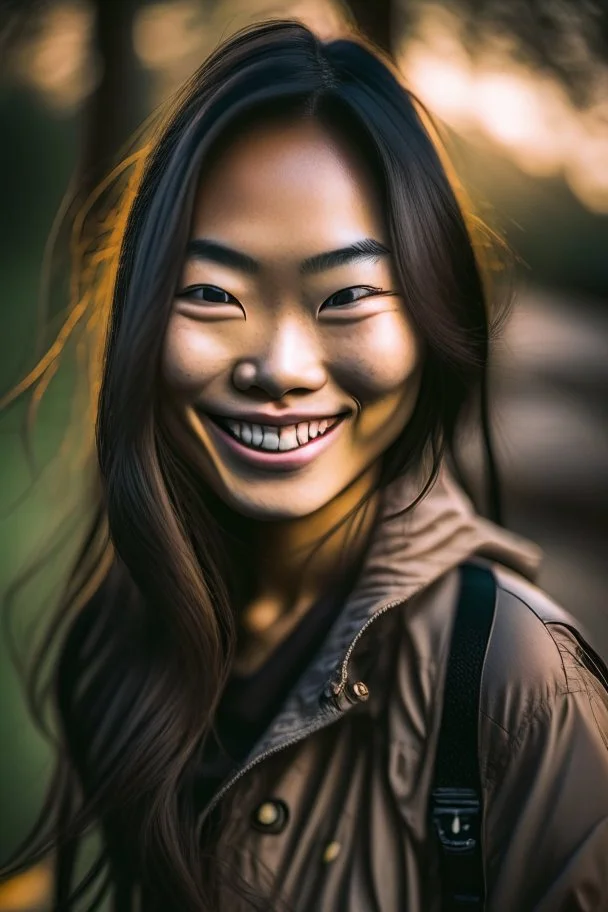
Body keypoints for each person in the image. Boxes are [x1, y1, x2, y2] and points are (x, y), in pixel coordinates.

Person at [2, 18, 607, 912]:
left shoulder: (516, 679)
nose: (280, 366)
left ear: (433, 318)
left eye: (349, 296)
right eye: (213, 294)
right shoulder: (137, 620)